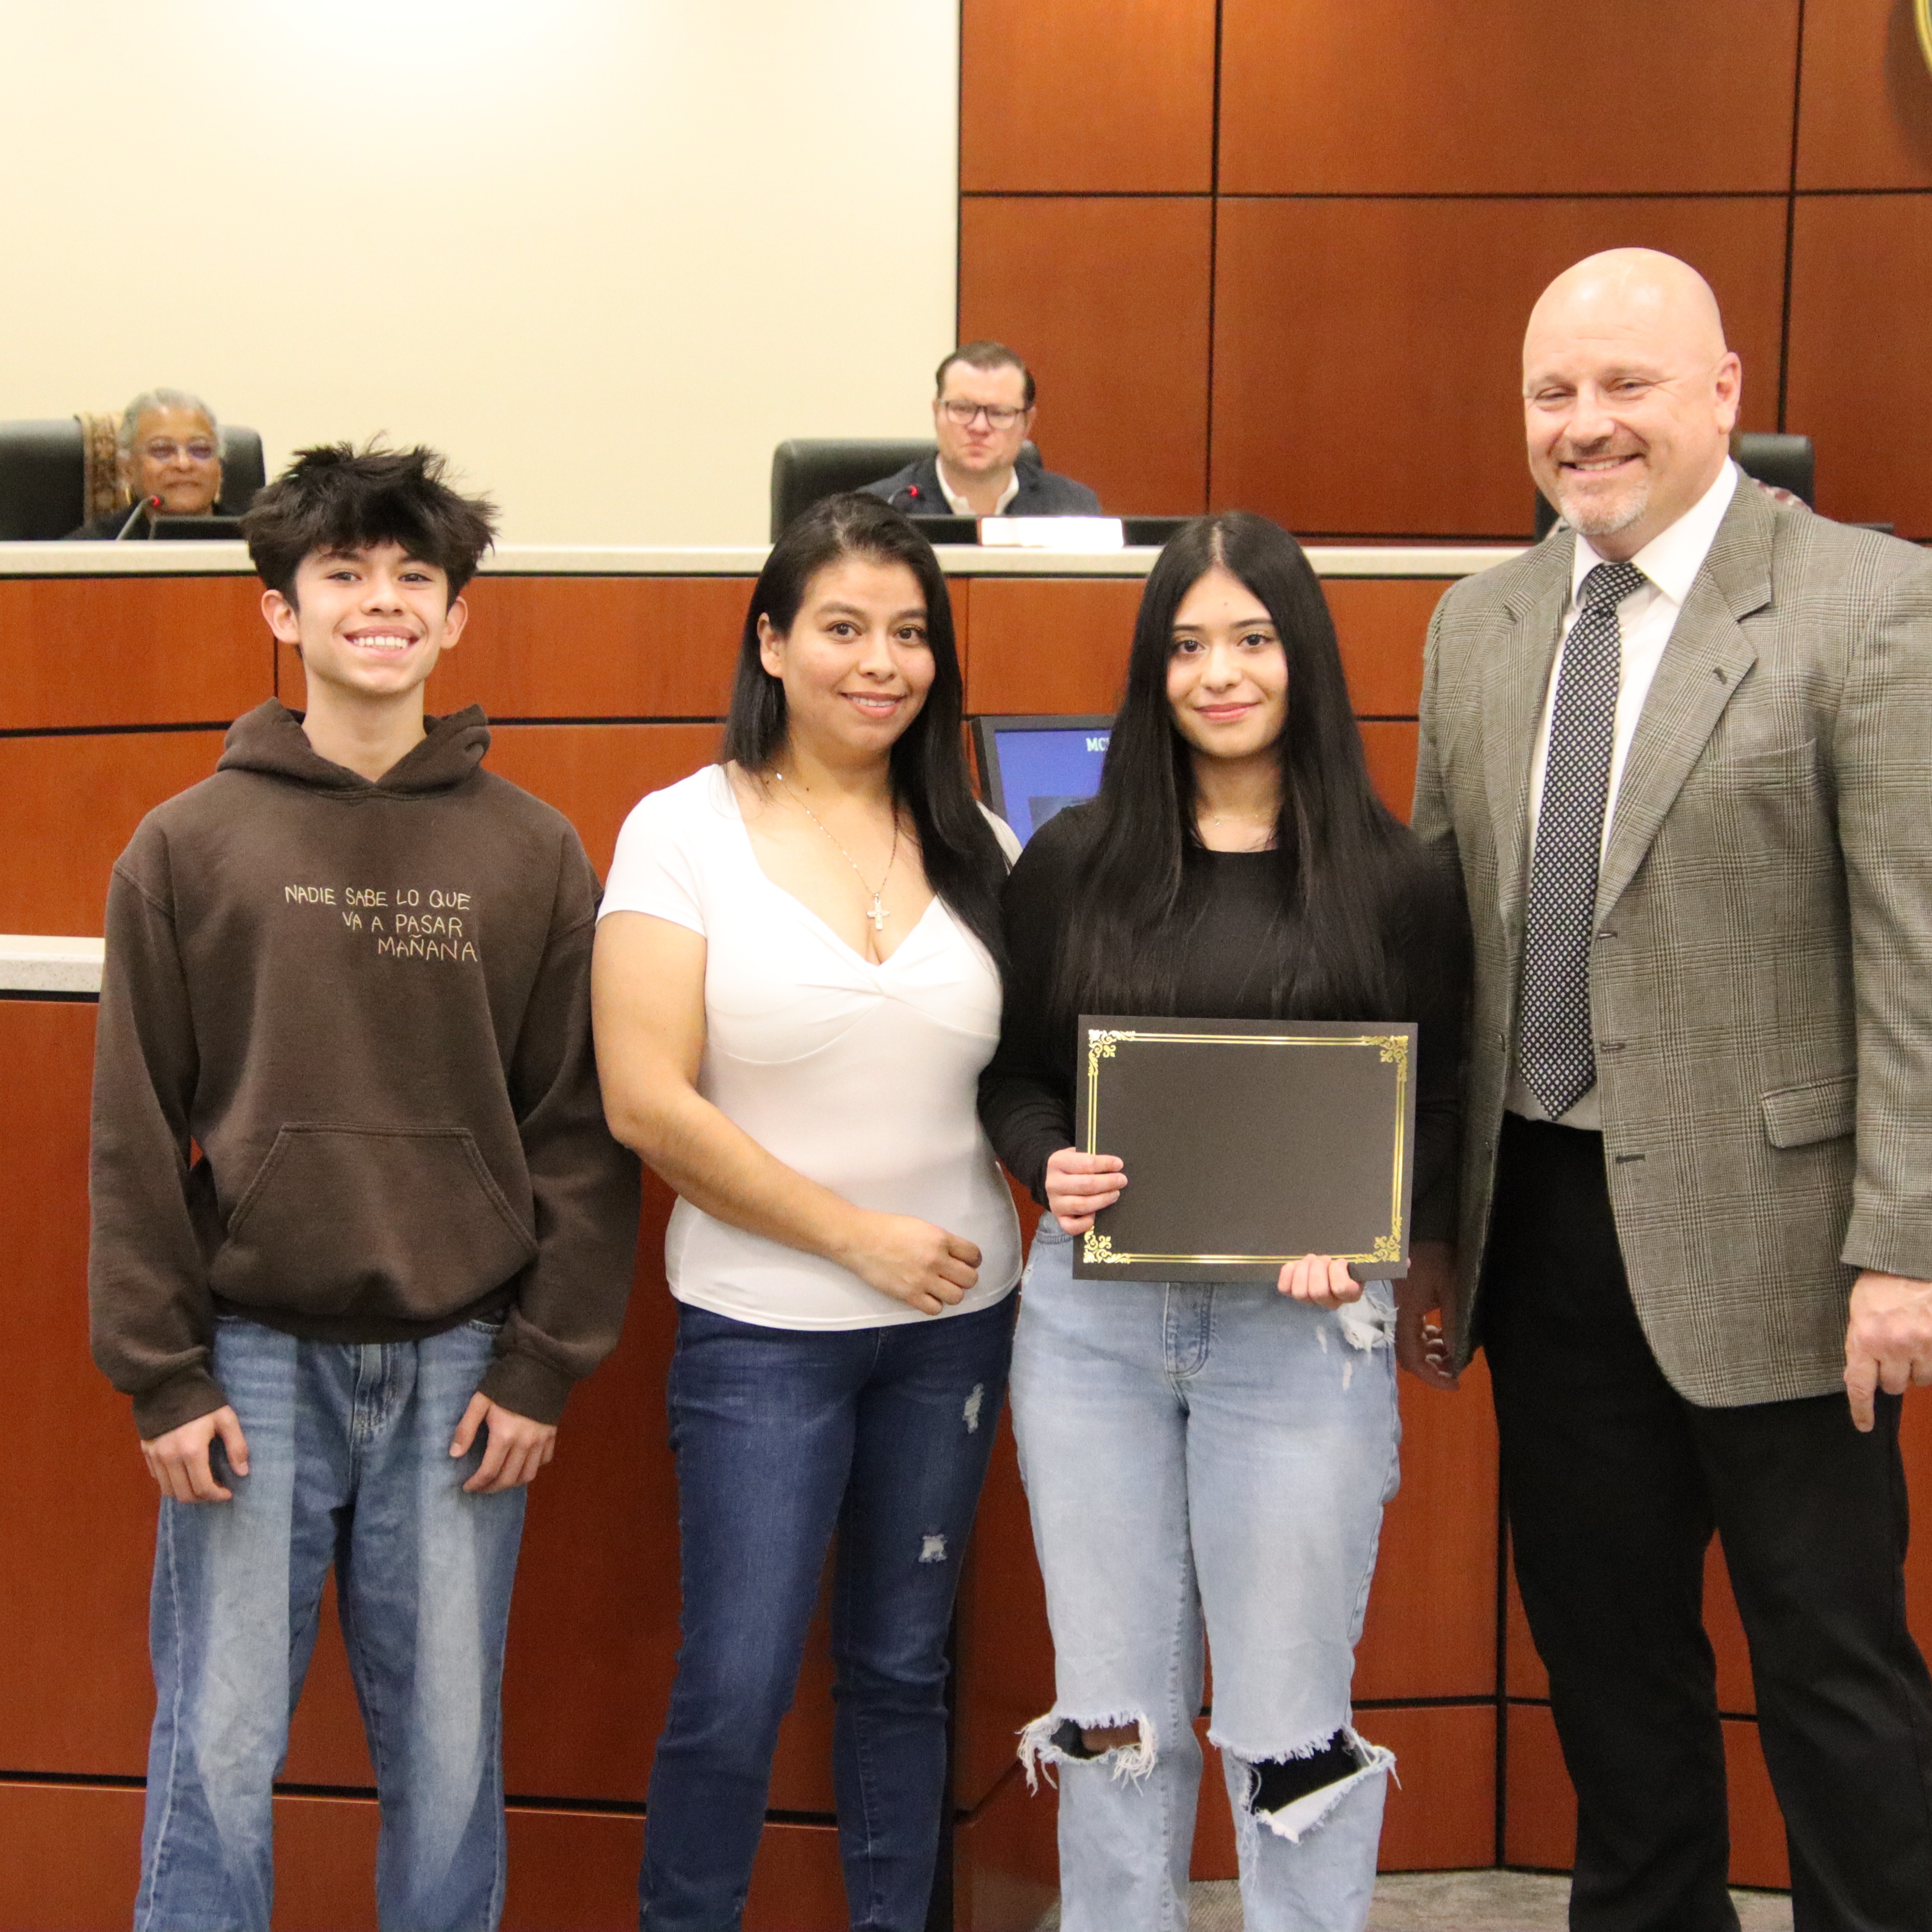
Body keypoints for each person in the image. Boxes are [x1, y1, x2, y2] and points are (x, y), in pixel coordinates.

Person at [1411, 247, 1932, 1932]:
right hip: (1544, 1236)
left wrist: (1907, 1242)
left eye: (1627, 385)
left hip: (1789, 1247)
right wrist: (1414, 1217)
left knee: (1834, 1676)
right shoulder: (1479, 625)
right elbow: (1439, 945)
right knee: (1609, 1674)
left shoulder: (1868, 603)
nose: (1587, 425)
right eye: (1553, 393)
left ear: (1723, 393)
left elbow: (1915, 955)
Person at [88, 442, 642, 1932]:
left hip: (466, 1369)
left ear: (456, 618)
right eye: (343, 573)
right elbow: (135, 1131)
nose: (380, 602)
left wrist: (541, 1365)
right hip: (246, 1366)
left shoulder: (532, 851)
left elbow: (576, 1131)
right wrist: (160, 1372)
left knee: (451, 1758)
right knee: (217, 1744)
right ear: (282, 607)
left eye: (414, 577)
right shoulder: (186, 846)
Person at [979, 511, 1469, 1932]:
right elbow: (1009, 1071)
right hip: (1091, 1332)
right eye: (1186, 644)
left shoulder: (1393, 878)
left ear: (1300, 654)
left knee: (1289, 1721)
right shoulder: (1074, 860)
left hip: (1299, 1339)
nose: (1219, 671)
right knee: (1117, 1717)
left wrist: (1372, 1231)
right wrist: (1047, 1159)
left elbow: (1432, 1102)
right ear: (1153, 670)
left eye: (1250, 638)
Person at [591, 492, 1023, 1932]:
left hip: (957, 1331)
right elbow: (646, 1101)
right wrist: (854, 1237)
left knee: (903, 1673)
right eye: (842, 627)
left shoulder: (977, 840)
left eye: (909, 633)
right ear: (770, 642)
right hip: (764, 1332)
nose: (878, 662)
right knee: (735, 1682)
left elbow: (1035, 1076)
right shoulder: (681, 829)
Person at [864, 340, 1103, 519]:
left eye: (999, 414)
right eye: (962, 409)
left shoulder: (1073, 508)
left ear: (1027, 423)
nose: (979, 427)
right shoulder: (877, 511)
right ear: (937, 412)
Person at [67, 386, 226, 537]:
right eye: (162, 450)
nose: (183, 464)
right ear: (127, 469)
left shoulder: (247, 542)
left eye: (200, 449)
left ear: (219, 466)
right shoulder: (87, 554)